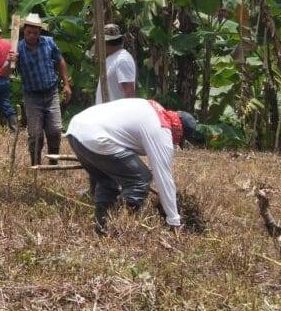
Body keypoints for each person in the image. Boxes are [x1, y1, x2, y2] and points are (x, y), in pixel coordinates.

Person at [66, 98, 189, 235]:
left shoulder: (154, 109)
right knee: (140, 180)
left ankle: (102, 227)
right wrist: (173, 219)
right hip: (97, 139)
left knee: (107, 181)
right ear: (179, 132)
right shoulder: (162, 130)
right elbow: (164, 179)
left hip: (75, 132)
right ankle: (117, 223)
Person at [6, 13, 72, 165]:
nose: (32, 35)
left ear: (39, 32)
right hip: (32, 96)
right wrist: (10, 61)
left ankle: (53, 163)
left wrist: (66, 84)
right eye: (29, 32)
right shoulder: (18, 48)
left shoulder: (48, 42)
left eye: (35, 33)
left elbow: (60, 60)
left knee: (55, 131)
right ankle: (35, 164)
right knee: (35, 134)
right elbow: (5, 72)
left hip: (51, 93)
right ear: (24, 31)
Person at [95, 23, 136, 104]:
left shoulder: (123, 59)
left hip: (115, 114)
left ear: (105, 42)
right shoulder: (111, 58)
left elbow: (129, 91)